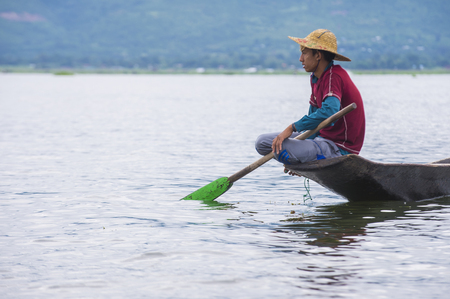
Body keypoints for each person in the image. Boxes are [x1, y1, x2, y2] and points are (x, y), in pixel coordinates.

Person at [255, 29, 365, 173]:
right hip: (320, 139)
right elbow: (313, 126)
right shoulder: (315, 78)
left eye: (305, 53)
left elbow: (329, 112)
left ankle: (306, 160)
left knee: (283, 144)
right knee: (262, 143)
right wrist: (294, 159)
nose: (301, 59)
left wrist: (291, 128)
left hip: (337, 148)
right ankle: (301, 161)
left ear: (318, 55)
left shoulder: (334, 76)